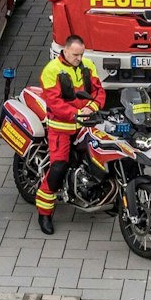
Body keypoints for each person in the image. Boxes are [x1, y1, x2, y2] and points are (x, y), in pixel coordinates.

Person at [33, 35, 106, 235]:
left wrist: (92, 107)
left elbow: (99, 91)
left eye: (81, 54)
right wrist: (74, 114)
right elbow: (54, 102)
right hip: (61, 126)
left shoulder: (88, 65)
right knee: (59, 165)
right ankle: (44, 212)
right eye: (75, 54)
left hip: (86, 123)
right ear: (65, 51)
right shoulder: (51, 71)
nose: (79, 58)